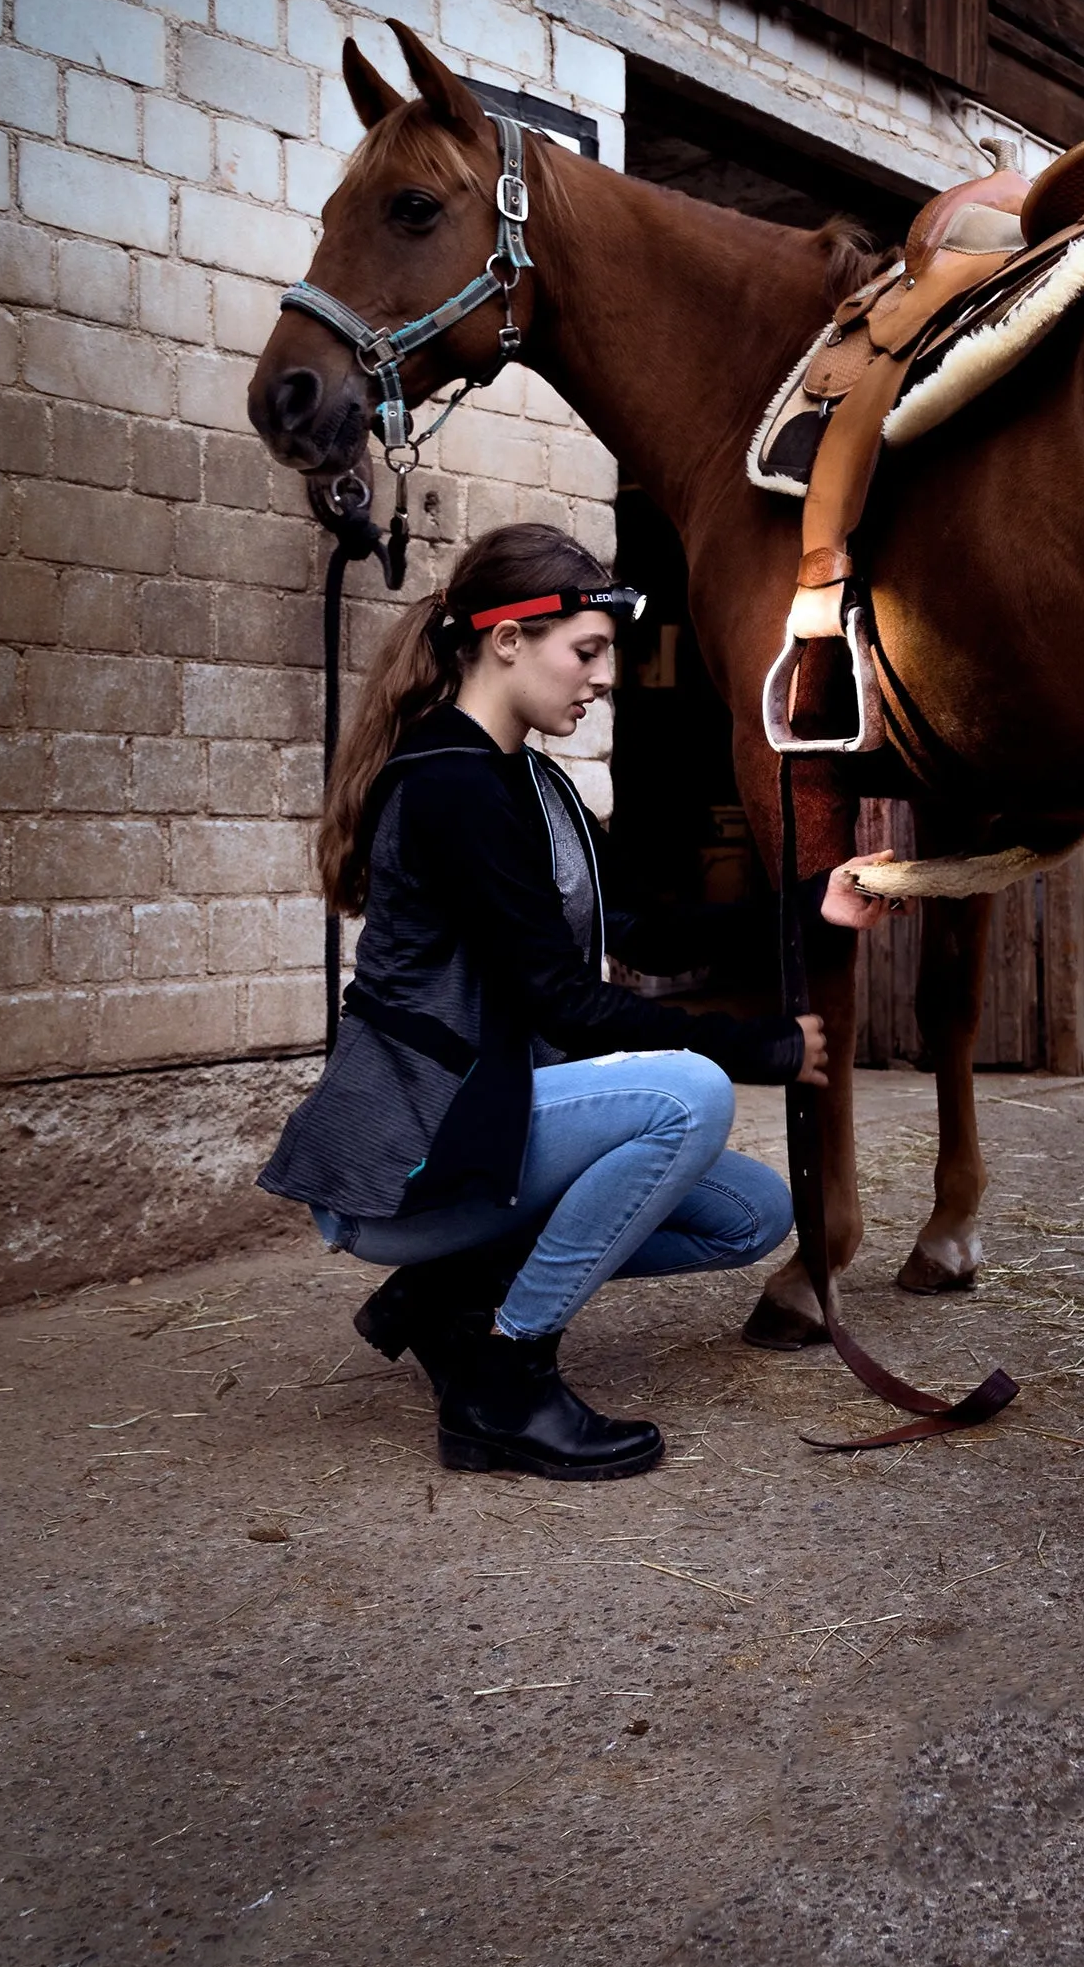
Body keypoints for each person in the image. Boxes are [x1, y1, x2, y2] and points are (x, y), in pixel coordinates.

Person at [259, 522, 888, 1483]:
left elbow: (646, 930)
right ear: (508, 639)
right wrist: (751, 1045)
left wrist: (814, 904)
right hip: (417, 1154)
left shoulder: (532, 782)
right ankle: (505, 1374)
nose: (602, 679)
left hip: (498, 1125)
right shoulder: (449, 784)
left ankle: (443, 1296)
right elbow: (563, 1003)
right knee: (689, 1096)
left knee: (750, 1216)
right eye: (586, 652)